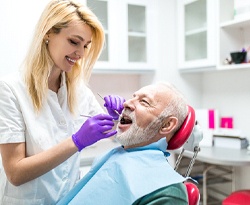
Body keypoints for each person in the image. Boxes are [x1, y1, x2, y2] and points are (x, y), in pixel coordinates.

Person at [0, 0, 125, 204]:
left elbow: (114, 135)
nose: (81, 54)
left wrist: (118, 119)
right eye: (74, 42)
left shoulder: (79, 91)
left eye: (85, 46)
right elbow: (15, 173)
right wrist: (76, 142)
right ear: (48, 32)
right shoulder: (10, 89)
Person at [57, 82, 190, 205]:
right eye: (133, 97)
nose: (126, 103)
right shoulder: (117, 155)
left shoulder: (166, 193)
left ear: (166, 125)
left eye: (144, 102)